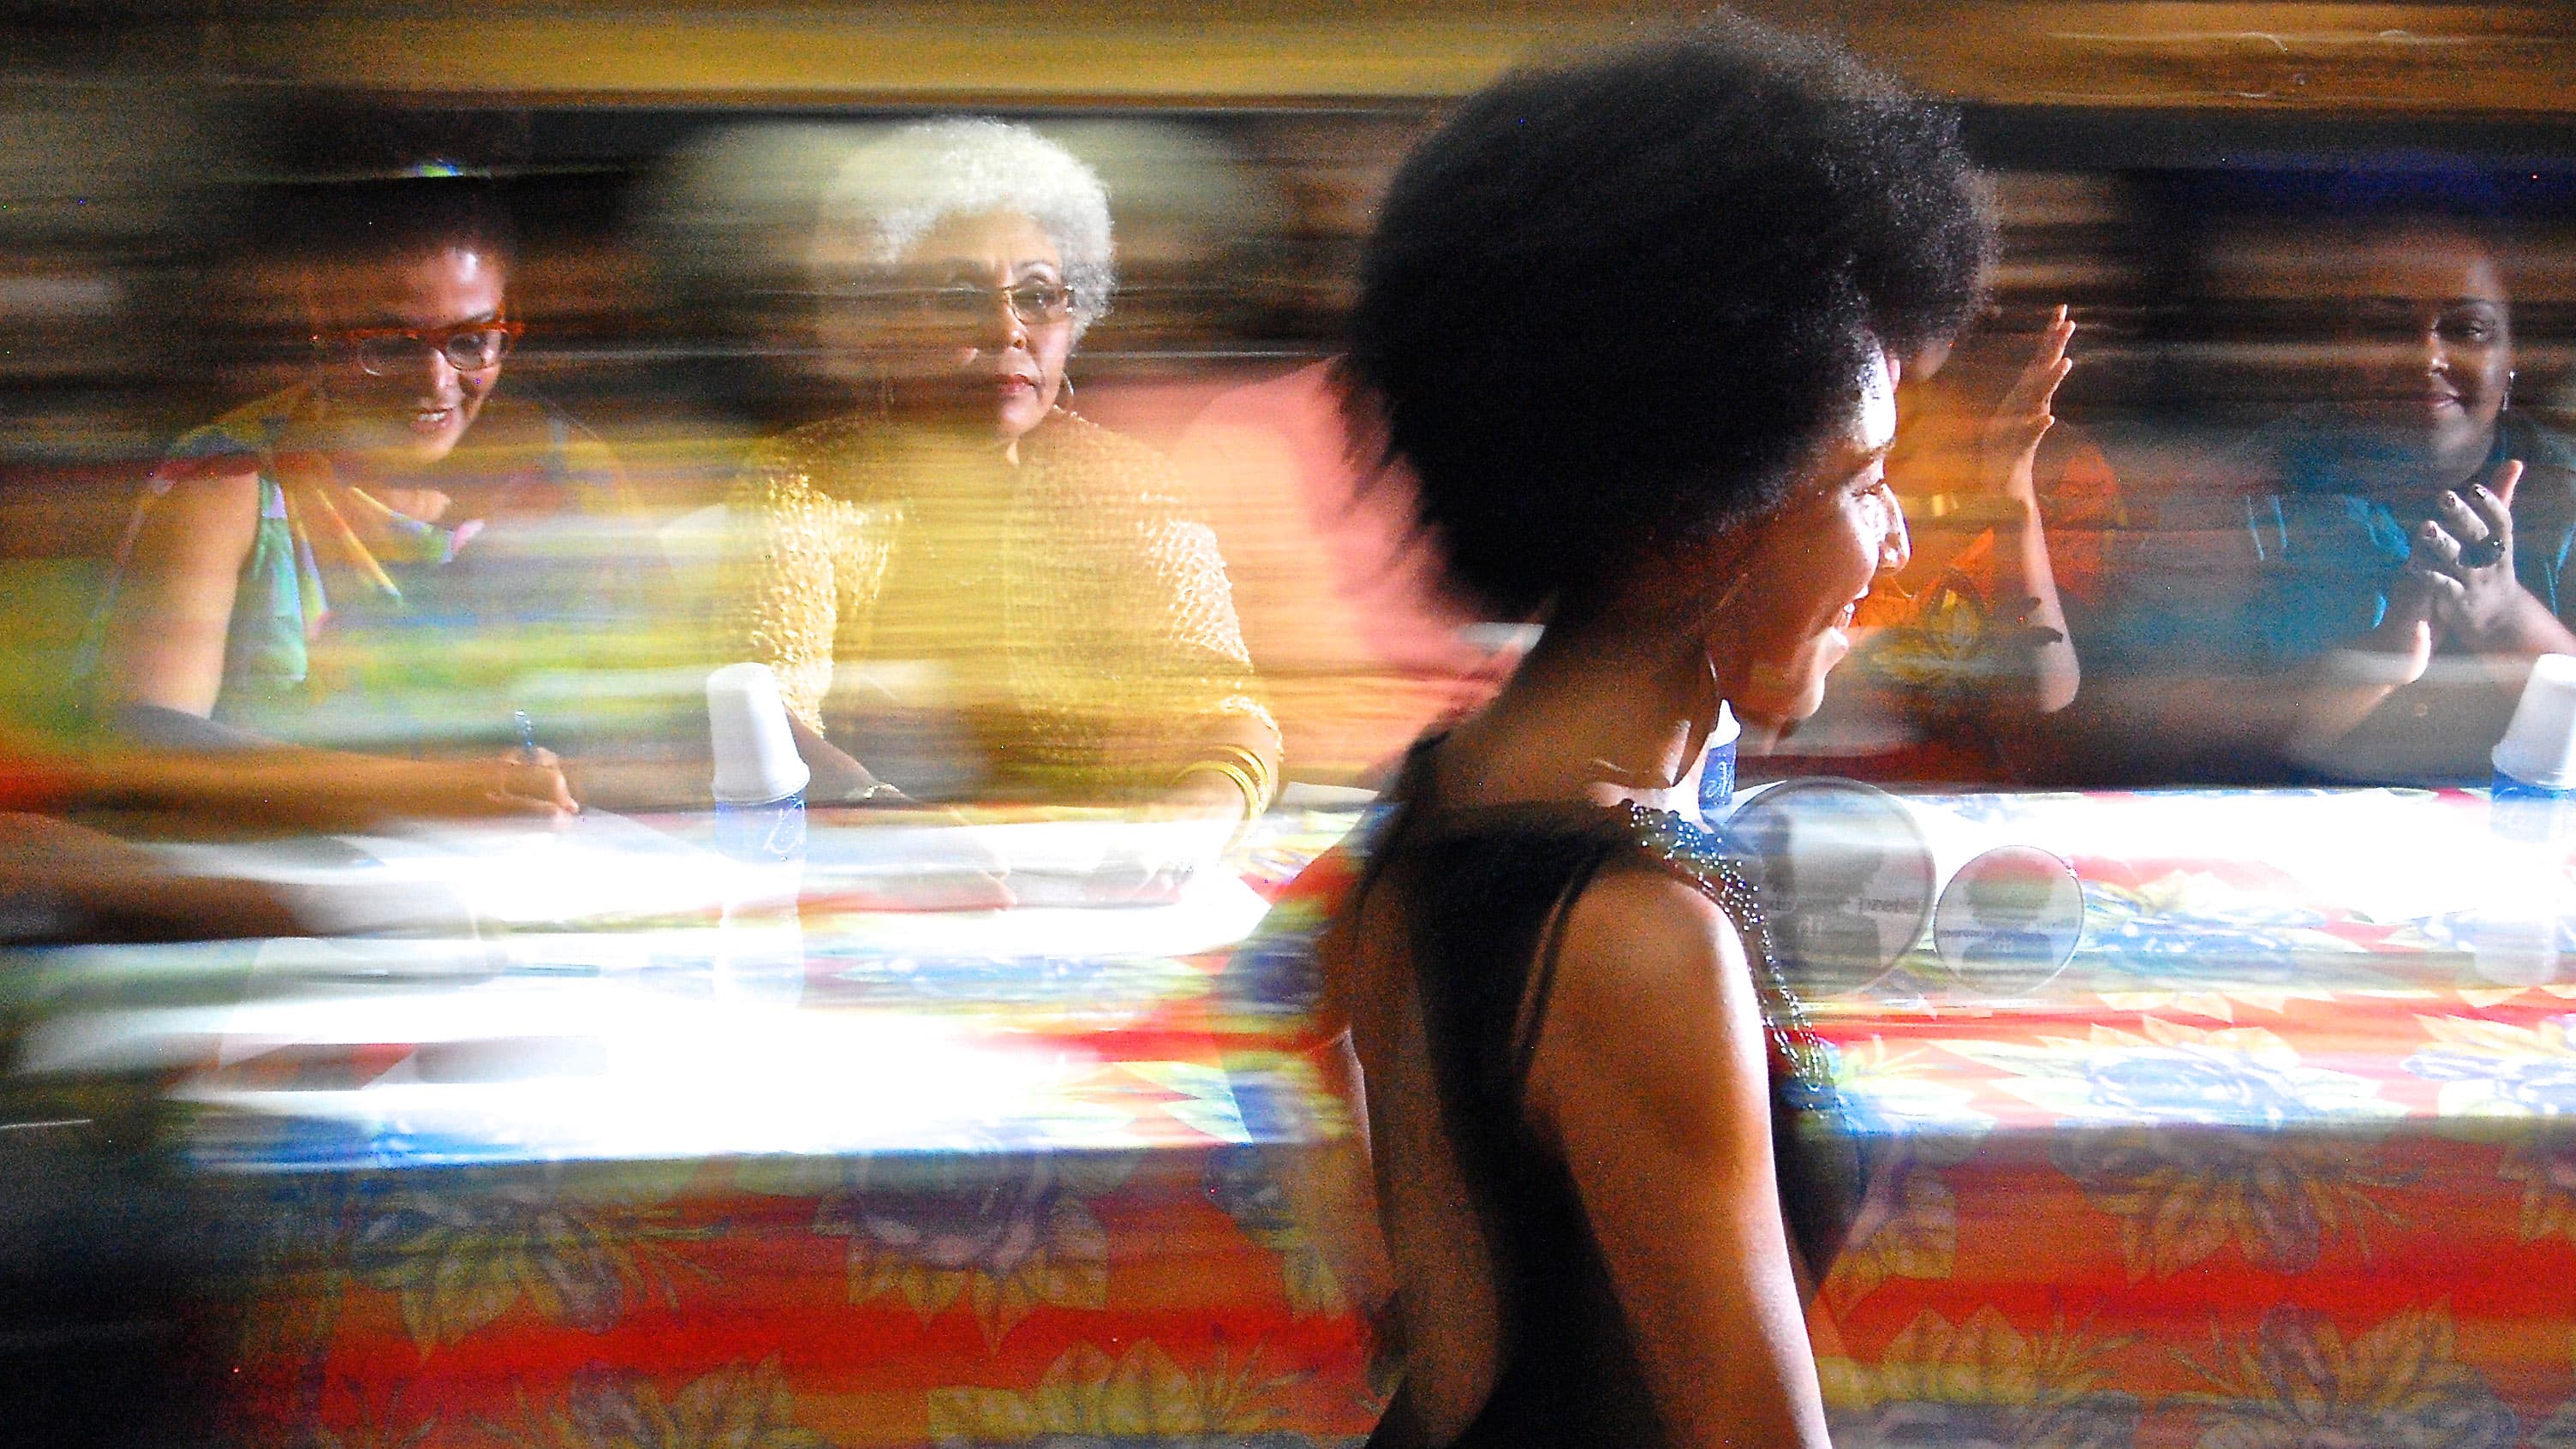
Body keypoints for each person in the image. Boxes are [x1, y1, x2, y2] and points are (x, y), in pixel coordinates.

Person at [1255, 19, 1991, 1447]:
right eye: (1862, 480)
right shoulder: (1631, 936)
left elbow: (1302, 1025)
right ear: (1688, 514)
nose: (1895, 535)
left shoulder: (1443, 794)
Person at [719, 118, 1280, 820]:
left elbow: (1225, 706)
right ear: (883, 321)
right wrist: (905, 832)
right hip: (874, 871)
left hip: (1099, 875)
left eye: (1039, 295)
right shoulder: (804, 481)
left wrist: (1193, 821)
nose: (1008, 329)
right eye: (958, 297)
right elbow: (765, 714)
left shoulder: (1130, 486)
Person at [87, 174, 653, 817]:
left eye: (470, 342)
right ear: (322, 323)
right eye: (389, 346)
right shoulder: (227, 481)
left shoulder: (574, 477)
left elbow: (662, 717)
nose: (436, 383)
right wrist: (443, 793)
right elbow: (148, 739)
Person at [2033, 193, 2576, 784]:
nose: (2428, 355)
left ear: (2511, 356)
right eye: (2385, 326)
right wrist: (2370, 667)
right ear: (2341, 347)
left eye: (2467, 329)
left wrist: (2507, 622)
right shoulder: (2245, 494)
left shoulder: (2564, 497)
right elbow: (2142, 727)